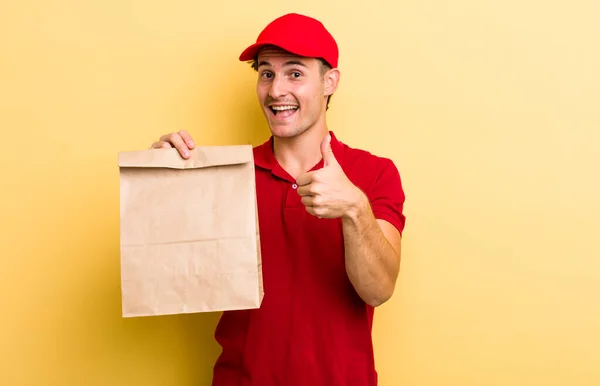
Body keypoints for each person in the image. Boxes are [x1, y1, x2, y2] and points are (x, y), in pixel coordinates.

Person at [149, 13, 406, 386]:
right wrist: (159, 185)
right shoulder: (226, 176)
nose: (275, 90)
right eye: (266, 73)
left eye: (295, 73)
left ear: (329, 81)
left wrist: (354, 207)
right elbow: (167, 274)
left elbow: (379, 290)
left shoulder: (374, 173)